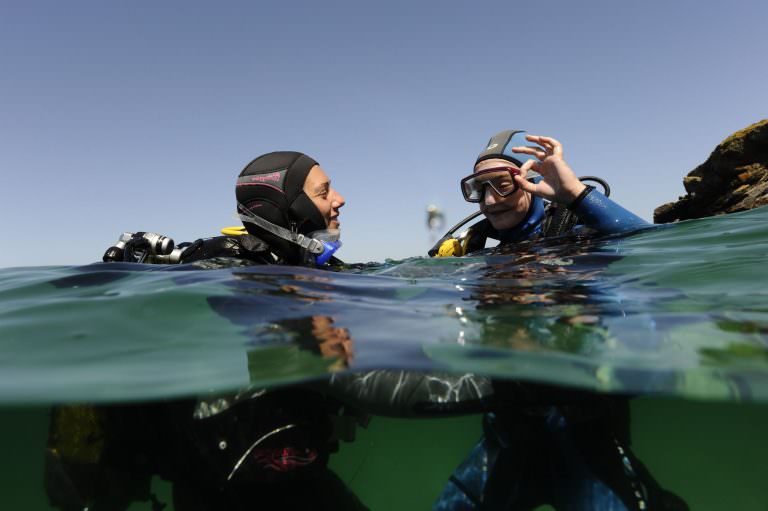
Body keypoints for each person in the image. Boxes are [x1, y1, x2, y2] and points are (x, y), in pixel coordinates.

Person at [45, 151, 369, 511]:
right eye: (324, 192)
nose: (340, 199)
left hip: (280, 471)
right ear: (285, 209)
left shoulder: (304, 266)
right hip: (235, 483)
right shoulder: (234, 271)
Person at [429, 130, 687, 510]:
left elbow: (655, 249)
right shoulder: (475, 251)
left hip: (585, 436)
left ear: (531, 180)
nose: (487, 201)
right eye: (477, 189)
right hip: (507, 437)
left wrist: (575, 195)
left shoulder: (579, 234)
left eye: (501, 185)